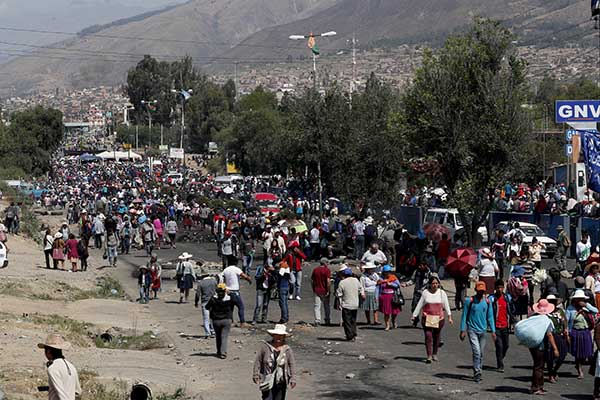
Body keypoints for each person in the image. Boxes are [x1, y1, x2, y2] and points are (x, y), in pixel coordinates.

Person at [460, 281, 496, 383]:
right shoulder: (469, 301)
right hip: (472, 330)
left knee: (481, 353)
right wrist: (463, 330)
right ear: (476, 290)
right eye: (479, 291)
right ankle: (477, 371)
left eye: (482, 291)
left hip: (483, 331)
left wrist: (493, 331)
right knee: (477, 351)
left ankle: (478, 369)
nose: (481, 293)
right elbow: (464, 316)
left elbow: (490, 317)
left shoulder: (487, 302)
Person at [411, 273, 452, 363]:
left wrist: (449, 316)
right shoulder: (425, 293)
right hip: (427, 318)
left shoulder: (442, 293)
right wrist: (414, 315)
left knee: (436, 336)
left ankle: (435, 353)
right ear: (429, 284)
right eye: (433, 283)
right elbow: (420, 304)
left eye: (436, 283)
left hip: (439, 319)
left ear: (439, 284)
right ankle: (429, 355)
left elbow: (446, 305)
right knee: (428, 336)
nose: (435, 285)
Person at [252, 324, 297, 400]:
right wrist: (255, 374)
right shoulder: (265, 347)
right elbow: (258, 360)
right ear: (273, 335)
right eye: (276, 335)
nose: (278, 337)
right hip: (266, 379)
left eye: (281, 335)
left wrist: (293, 378)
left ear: (284, 337)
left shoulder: (287, 349)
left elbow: (292, 364)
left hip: (281, 381)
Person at [526, 299, 560, 395]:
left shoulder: (533, 317)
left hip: (532, 345)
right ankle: (536, 387)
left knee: (537, 365)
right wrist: (555, 348)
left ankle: (538, 386)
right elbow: (549, 335)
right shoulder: (545, 320)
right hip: (541, 345)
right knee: (539, 366)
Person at [38, 333, 81, 400]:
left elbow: (61, 393)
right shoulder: (71, 366)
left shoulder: (53, 368)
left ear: (48, 351)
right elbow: (78, 392)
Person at [566, 289, 598, 379]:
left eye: (582, 299)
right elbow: (567, 321)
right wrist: (568, 333)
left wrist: (586, 305)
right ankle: (579, 369)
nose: (580, 300)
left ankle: (579, 365)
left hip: (586, 331)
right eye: (579, 299)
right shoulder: (570, 308)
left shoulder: (586, 307)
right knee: (578, 353)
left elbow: (596, 311)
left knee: (585, 352)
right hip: (576, 332)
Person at [205, 283, 238, 359]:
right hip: (227, 319)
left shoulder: (213, 299)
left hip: (216, 320)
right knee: (224, 336)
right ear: (225, 290)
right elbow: (237, 302)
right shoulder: (230, 298)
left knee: (218, 336)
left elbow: (207, 307)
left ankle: (219, 351)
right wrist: (231, 293)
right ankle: (223, 352)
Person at [488, 280, 514, 372]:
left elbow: (511, 310)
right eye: (498, 288)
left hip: (505, 326)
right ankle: (500, 365)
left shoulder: (507, 298)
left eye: (501, 287)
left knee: (506, 345)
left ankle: (500, 357)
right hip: (496, 326)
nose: (499, 289)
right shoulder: (491, 299)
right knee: (499, 345)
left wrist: (512, 321)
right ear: (495, 288)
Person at [545, 294, 569, 384]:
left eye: (554, 302)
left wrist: (566, 330)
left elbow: (565, 321)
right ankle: (551, 373)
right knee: (550, 356)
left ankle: (555, 370)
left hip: (560, 336)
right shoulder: (545, 313)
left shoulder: (560, 311)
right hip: (550, 336)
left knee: (562, 355)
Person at [336, 267, 364, 341]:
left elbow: (339, 294)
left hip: (346, 304)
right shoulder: (356, 280)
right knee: (353, 320)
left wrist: (339, 303)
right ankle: (354, 333)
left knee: (347, 321)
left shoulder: (342, 282)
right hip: (355, 303)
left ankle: (349, 335)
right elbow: (360, 289)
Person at [378, 264, 401, 331]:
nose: (388, 273)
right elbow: (379, 287)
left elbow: (398, 285)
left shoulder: (393, 277)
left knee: (394, 311)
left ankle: (393, 320)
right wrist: (378, 296)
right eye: (386, 272)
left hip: (393, 296)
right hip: (384, 296)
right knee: (386, 312)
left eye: (389, 272)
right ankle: (387, 325)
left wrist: (391, 284)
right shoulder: (381, 278)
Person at [195, 274, 217, 338]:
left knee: (206, 318)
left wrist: (196, 302)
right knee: (213, 317)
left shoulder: (201, 283)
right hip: (213, 301)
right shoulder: (214, 281)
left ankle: (207, 333)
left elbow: (197, 294)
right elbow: (217, 290)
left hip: (205, 301)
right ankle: (213, 331)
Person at [311, 258, 332, 326]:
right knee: (326, 306)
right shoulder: (327, 270)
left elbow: (312, 280)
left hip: (317, 290)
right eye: (327, 263)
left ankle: (317, 320)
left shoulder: (315, 270)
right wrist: (328, 290)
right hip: (325, 290)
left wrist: (313, 288)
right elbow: (328, 281)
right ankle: (327, 319)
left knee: (317, 306)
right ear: (325, 263)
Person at [411, 260, 431, 326]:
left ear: (425, 266)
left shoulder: (429, 273)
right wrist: (405, 284)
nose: (419, 266)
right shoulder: (416, 271)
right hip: (417, 292)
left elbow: (433, 282)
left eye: (421, 265)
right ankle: (416, 319)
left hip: (425, 294)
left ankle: (427, 323)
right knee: (414, 307)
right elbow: (412, 280)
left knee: (426, 309)